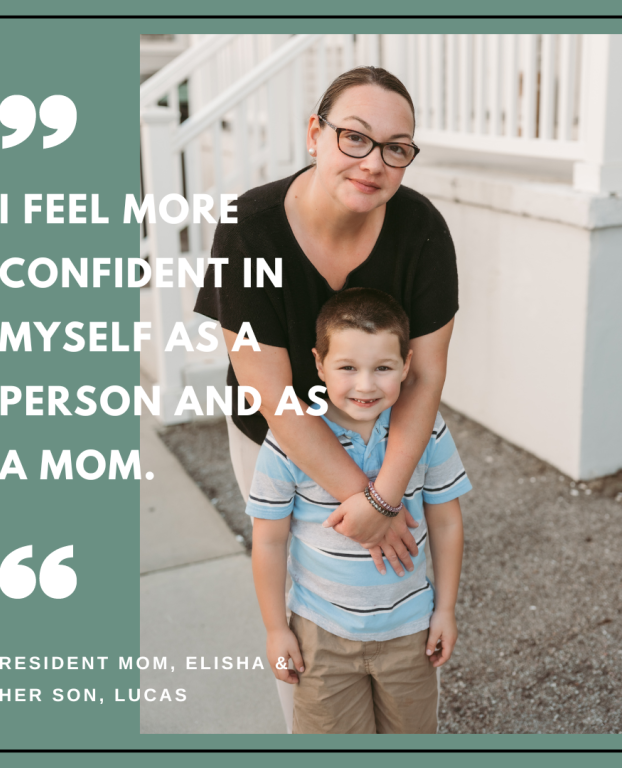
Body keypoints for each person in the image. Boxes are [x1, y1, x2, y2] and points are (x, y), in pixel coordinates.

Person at [194, 65, 460, 730]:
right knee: (300, 598)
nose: (374, 162)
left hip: (386, 429)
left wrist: (387, 493)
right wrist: (362, 498)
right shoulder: (249, 228)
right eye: (355, 137)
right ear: (315, 133)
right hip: (279, 434)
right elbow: (273, 394)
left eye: (396, 147)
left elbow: (424, 377)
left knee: (396, 576)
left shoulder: (422, 230)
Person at [248, 288, 470, 734]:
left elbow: (446, 523)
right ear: (318, 364)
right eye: (347, 368)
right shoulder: (290, 442)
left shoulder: (429, 430)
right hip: (322, 634)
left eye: (383, 368)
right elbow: (269, 541)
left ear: (407, 365)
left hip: (409, 629)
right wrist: (276, 629)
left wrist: (445, 609)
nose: (365, 385)